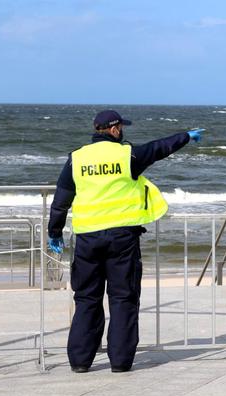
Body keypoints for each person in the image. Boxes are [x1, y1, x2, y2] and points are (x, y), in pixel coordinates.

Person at [47, 110, 204, 373]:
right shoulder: (126, 155)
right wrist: (185, 136)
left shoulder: (76, 159)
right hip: (122, 239)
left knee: (86, 298)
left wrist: (54, 233)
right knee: (123, 298)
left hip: (87, 238)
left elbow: (60, 201)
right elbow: (158, 149)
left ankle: (80, 362)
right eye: (121, 127)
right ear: (114, 129)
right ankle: (120, 362)